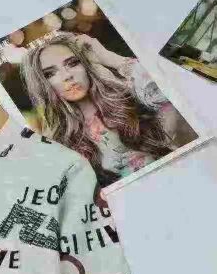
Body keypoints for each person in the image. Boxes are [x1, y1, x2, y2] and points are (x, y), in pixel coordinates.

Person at [21, 31, 196, 185]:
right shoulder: (59, 143)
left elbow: (174, 91)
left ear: (86, 65)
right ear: (42, 84)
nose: (67, 76)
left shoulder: (130, 98)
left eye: (73, 63)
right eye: (50, 73)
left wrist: (110, 58)